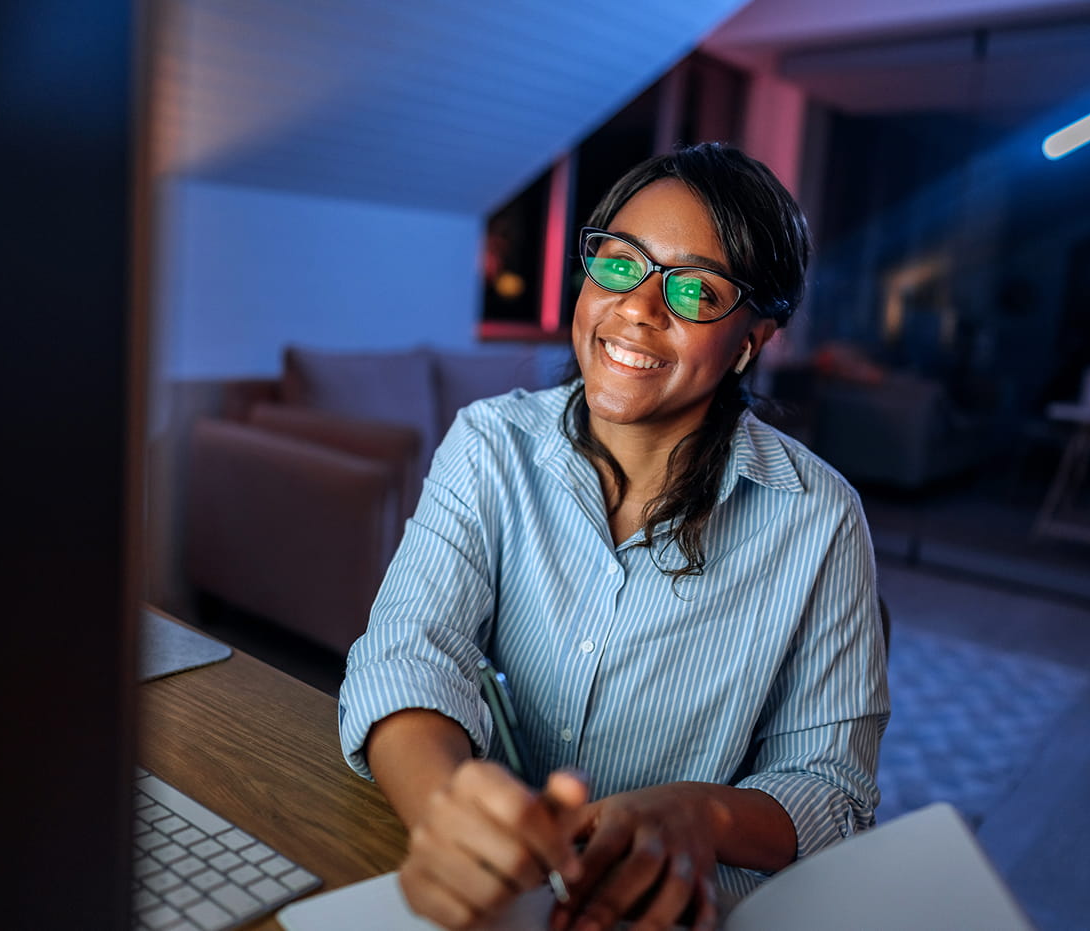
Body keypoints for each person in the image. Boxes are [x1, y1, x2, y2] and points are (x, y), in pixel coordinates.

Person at [339, 142, 889, 931]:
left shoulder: (820, 518)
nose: (638, 308)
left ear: (750, 343)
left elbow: (833, 792)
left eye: (696, 288)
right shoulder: (490, 443)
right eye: (622, 265)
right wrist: (446, 816)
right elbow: (408, 651)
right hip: (493, 898)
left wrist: (704, 815)